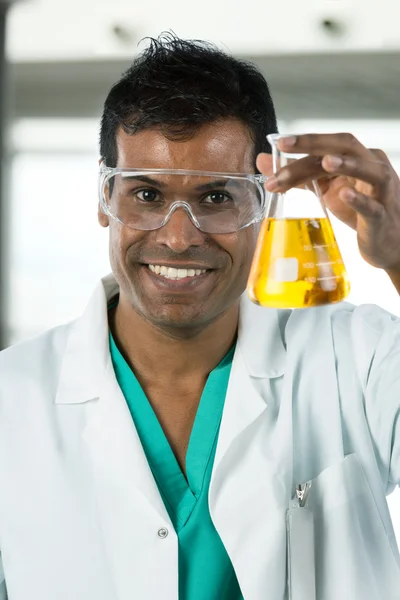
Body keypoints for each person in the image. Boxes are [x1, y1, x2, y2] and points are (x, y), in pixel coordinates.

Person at [0, 33, 400, 600]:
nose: (180, 236)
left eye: (217, 196)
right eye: (146, 195)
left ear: (265, 200)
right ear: (103, 197)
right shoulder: (9, 399)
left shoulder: (357, 359)